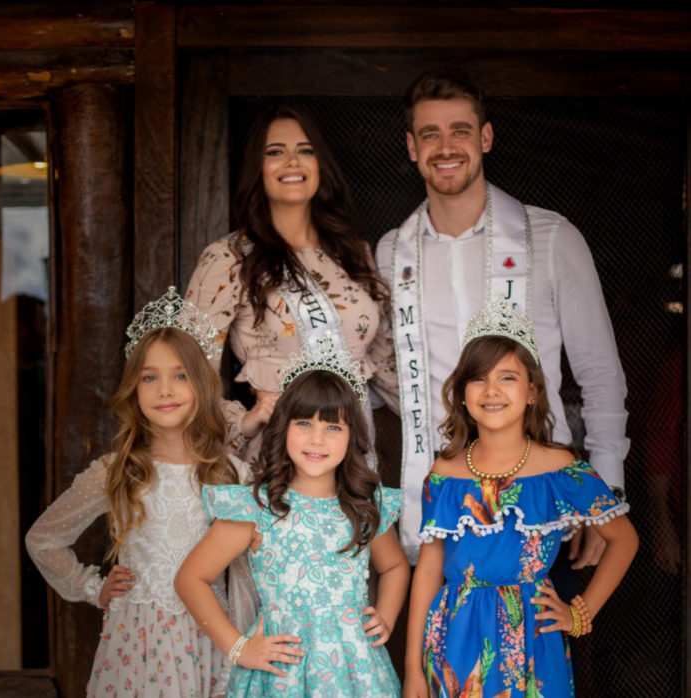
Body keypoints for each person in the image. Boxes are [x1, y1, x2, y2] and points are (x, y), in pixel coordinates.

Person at [375, 69, 629, 565]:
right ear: (411, 147)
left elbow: (600, 374)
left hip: (541, 503)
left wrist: (606, 494)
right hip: (438, 504)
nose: (445, 147)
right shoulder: (390, 253)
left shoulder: (551, 238)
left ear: (486, 137)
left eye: (460, 131)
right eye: (430, 134)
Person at [403, 299, 638, 697]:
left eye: (507, 377)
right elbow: (428, 571)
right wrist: (412, 669)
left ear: (531, 392)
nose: (491, 390)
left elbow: (624, 540)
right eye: (478, 378)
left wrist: (580, 614)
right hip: (454, 641)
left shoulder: (560, 468)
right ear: (462, 394)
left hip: (531, 637)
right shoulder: (444, 473)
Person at [25, 287, 254, 697]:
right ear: (133, 388)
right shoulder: (116, 471)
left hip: (209, 640)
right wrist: (92, 587)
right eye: (149, 377)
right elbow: (42, 539)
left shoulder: (230, 473)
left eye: (180, 375)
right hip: (137, 647)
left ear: (202, 385)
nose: (164, 390)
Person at [175, 361, 410, 697]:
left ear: (352, 436)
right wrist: (239, 648)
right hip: (283, 676)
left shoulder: (363, 506)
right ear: (283, 428)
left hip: (356, 672)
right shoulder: (256, 508)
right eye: (304, 423)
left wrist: (385, 616)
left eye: (333, 427)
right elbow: (190, 579)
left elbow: (395, 566)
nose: (317, 439)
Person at [186, 104, 398, 463]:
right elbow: (187, 377)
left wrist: (452, 420)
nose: (292, 162)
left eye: (305, 150)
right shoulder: (229, 258)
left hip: (354, 460)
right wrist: (246, 420)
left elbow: (386, 364)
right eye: (275, 152)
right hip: (280, 461)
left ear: (320, 164)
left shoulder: (353, 252)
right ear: (257, 168)